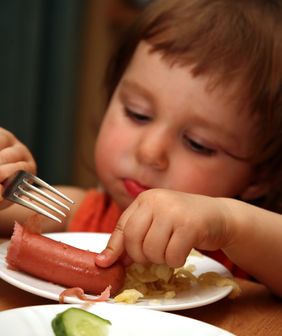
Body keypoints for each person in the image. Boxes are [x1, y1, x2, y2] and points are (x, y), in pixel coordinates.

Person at [0, 0, 281, 295]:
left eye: (198, 144)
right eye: (138, 114)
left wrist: (229, 223)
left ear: (259, 176)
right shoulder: (85, 212)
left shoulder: (246, 246)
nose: (150, 152)